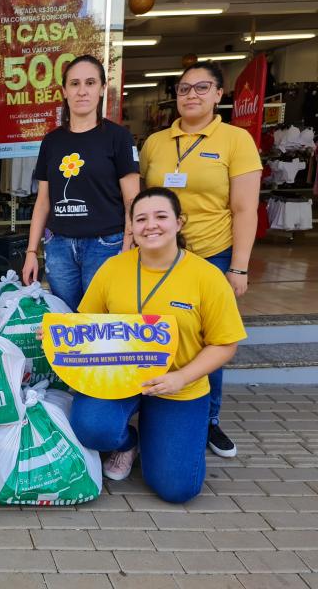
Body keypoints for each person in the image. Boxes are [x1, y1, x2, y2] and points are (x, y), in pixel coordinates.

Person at [68, 188, 246, 503]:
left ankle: (162, 432)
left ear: (179, 223)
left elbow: (225, 344)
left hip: (178, 385)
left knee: (177, 489)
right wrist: (59, 335)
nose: (151, 225)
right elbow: (87, 322)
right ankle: (127, 442)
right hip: (118, 380)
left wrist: (182, 377)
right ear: (132, 228)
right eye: (141, 219)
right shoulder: (113, 268)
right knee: (91, 426)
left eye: (161, 217)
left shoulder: (207, 276)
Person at [140, 61, 262, 458]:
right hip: (159, 256)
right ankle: (152, 403)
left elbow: (245, 209)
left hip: (211, 253)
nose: (191, 95)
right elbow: (142, 202)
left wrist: (238, 266)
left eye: (201, 88)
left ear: (218, 94)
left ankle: (207, 419)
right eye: (183, 89)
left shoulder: (235, 140)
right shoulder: (157, 143)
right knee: (155, 328)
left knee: (210, 339)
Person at [22, 54, 140, 311]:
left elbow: (133, 199)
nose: (82, 91)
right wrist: (32, 252)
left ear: (101, 89)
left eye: (90, 83)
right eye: (74, 84)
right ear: (64, 91)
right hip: (59, 247)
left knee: (100, 320)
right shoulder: (52, 141)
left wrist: (128, 245)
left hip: (106, 245)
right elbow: (43, 202)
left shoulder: (118, 138)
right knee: (65, 318)